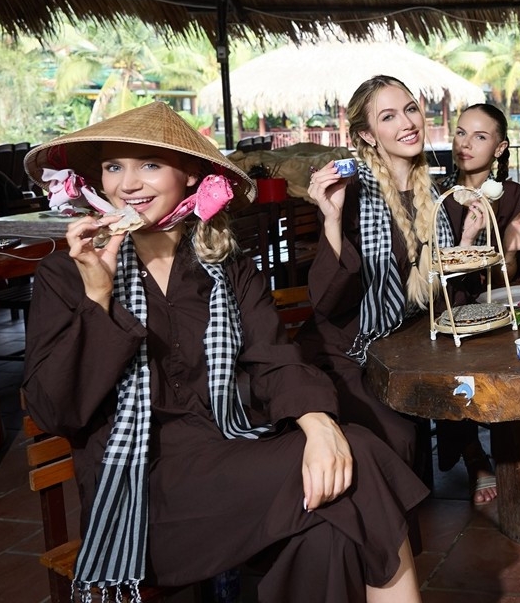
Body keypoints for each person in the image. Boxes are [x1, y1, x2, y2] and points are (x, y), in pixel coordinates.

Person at [21, 102, 425, 603]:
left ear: (190, 175)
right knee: (361, 455)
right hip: (141, 493)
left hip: (232, 457)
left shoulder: (225, 268)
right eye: (113, 166)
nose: (128, 184)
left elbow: (275, 357)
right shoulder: (65, 276)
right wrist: (98, 296)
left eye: (148, 164)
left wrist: (319, 425)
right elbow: (55, 409)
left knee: (329, 536)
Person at [301, 75, 455, 469]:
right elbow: (327, 302)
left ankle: (471, 460)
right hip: (348, 351)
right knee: (398, 438)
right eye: (388, 117)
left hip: (403, 342)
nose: (407, 123)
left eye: (409, 109)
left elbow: (438, 286)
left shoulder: (433, 194)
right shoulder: (352, 193)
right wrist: (331, 221)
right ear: (368, 136)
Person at [437, 103, 520, 504]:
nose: (466, 144)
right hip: (449, 304)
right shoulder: (440, 197)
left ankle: (513, 450)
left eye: (480, 137)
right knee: (450, 356)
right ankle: (473, 456)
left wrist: (512, 247)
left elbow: (511, 280)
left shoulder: (515, 195)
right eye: (462, 132)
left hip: (500, 304)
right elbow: (437, 271)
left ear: (500, 148)